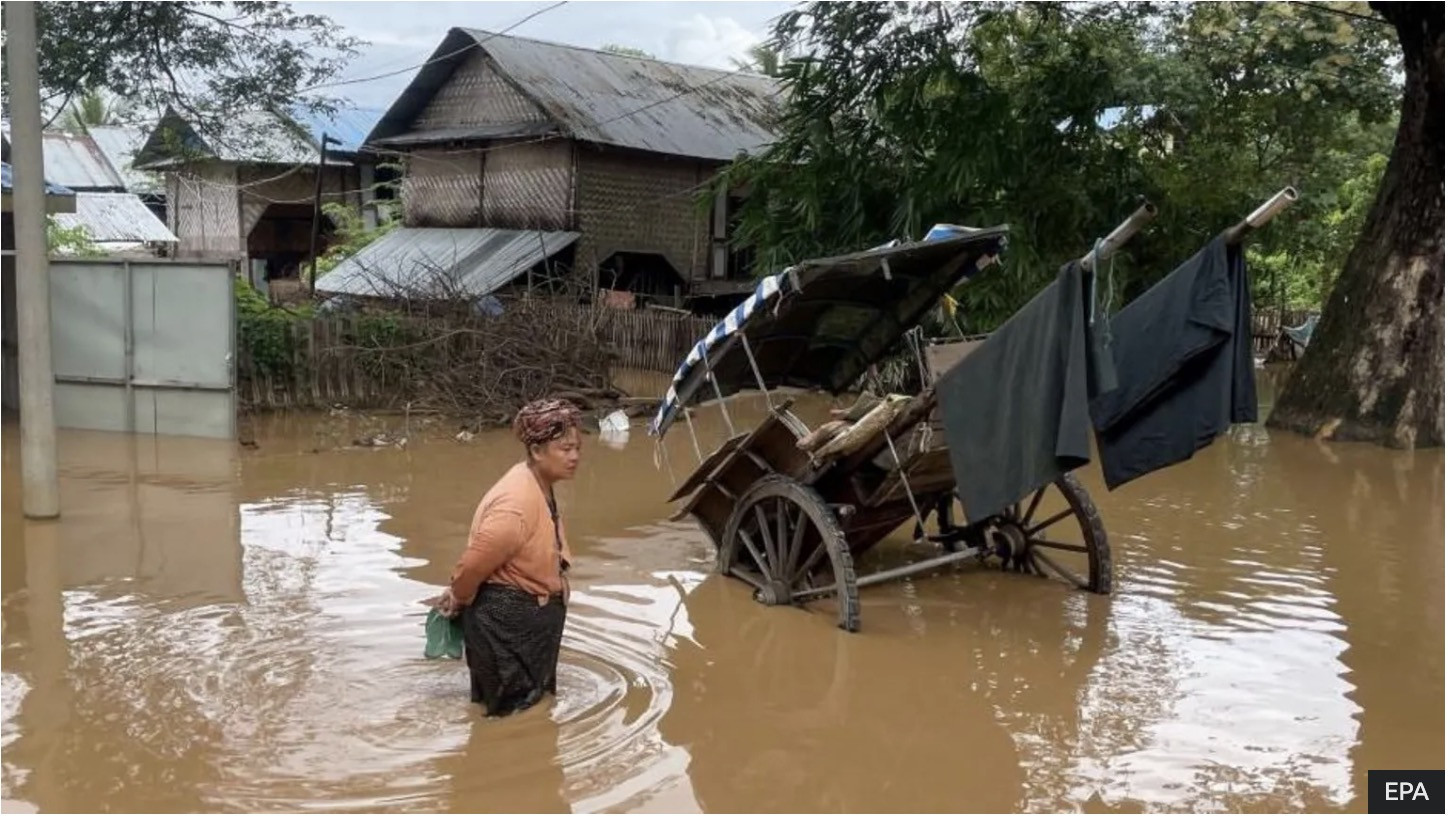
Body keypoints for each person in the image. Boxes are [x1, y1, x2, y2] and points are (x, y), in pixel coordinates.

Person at [435, 398, 582, 717]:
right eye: (565, 448)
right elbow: (473, 565)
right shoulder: (515, 505)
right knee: (512, 719)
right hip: (506, 626)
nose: (574, 457)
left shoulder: (538, 483)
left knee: (525, 709)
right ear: (537, 451)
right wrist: (458, 595)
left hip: (524, 622)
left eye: (577, 448)